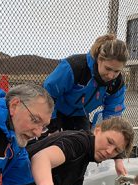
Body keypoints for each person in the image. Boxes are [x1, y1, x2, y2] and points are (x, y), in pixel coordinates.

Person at [43, 33, 130, 176]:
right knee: (50, 144)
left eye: (117, 71)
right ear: (98, 59)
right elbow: (48, 94)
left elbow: (114, 121)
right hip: (54, 110)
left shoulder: (117, 84)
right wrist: (52, 127)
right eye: (108, 69)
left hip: (79, 115)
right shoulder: (75, 67)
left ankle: (70, 183)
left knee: (83, 149)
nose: (111, 76)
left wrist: (118, 158)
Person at [27, 116, 134, 185]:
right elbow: (41, 158)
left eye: (116, 150)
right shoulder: (79, 143)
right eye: (109, 141)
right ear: (97, 131)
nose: (110, 151)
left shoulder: (82, 162)